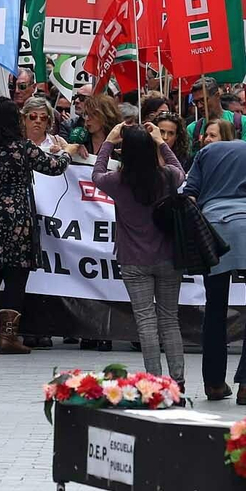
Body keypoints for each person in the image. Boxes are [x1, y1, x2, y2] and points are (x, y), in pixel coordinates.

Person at [183, 118, 246, 404]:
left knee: (215, 306)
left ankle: (213, 383)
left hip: (214, 229)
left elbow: (190, 193)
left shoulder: (204, 154)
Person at [0, 97, 71, 354]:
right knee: (16, 276)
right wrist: (65, 152)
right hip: (18, 217)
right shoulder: (22, 148)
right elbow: (55, 167)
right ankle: (9, 337)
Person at [92, 122, 185, 386]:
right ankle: (177, 380)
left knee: (145, 321)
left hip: (133, 259)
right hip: (167, 257)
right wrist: (161, 142)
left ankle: (154, 381)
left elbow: (96, 173)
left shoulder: (116, 181)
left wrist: (109, 140)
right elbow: (180, 170)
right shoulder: (166, 177)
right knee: (169, 320)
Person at [187, 77, 246, 151]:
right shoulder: (193, 129)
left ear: (217, 96)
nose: (199, 105)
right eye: (196, 102)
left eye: (203, 100)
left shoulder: (243, 123)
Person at [68, 91, 122, 156]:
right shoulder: (80, 137)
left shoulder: (120, 141)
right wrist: (75, 147)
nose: (87, 119)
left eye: (92, 115)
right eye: (86, 114)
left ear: (106, 116)